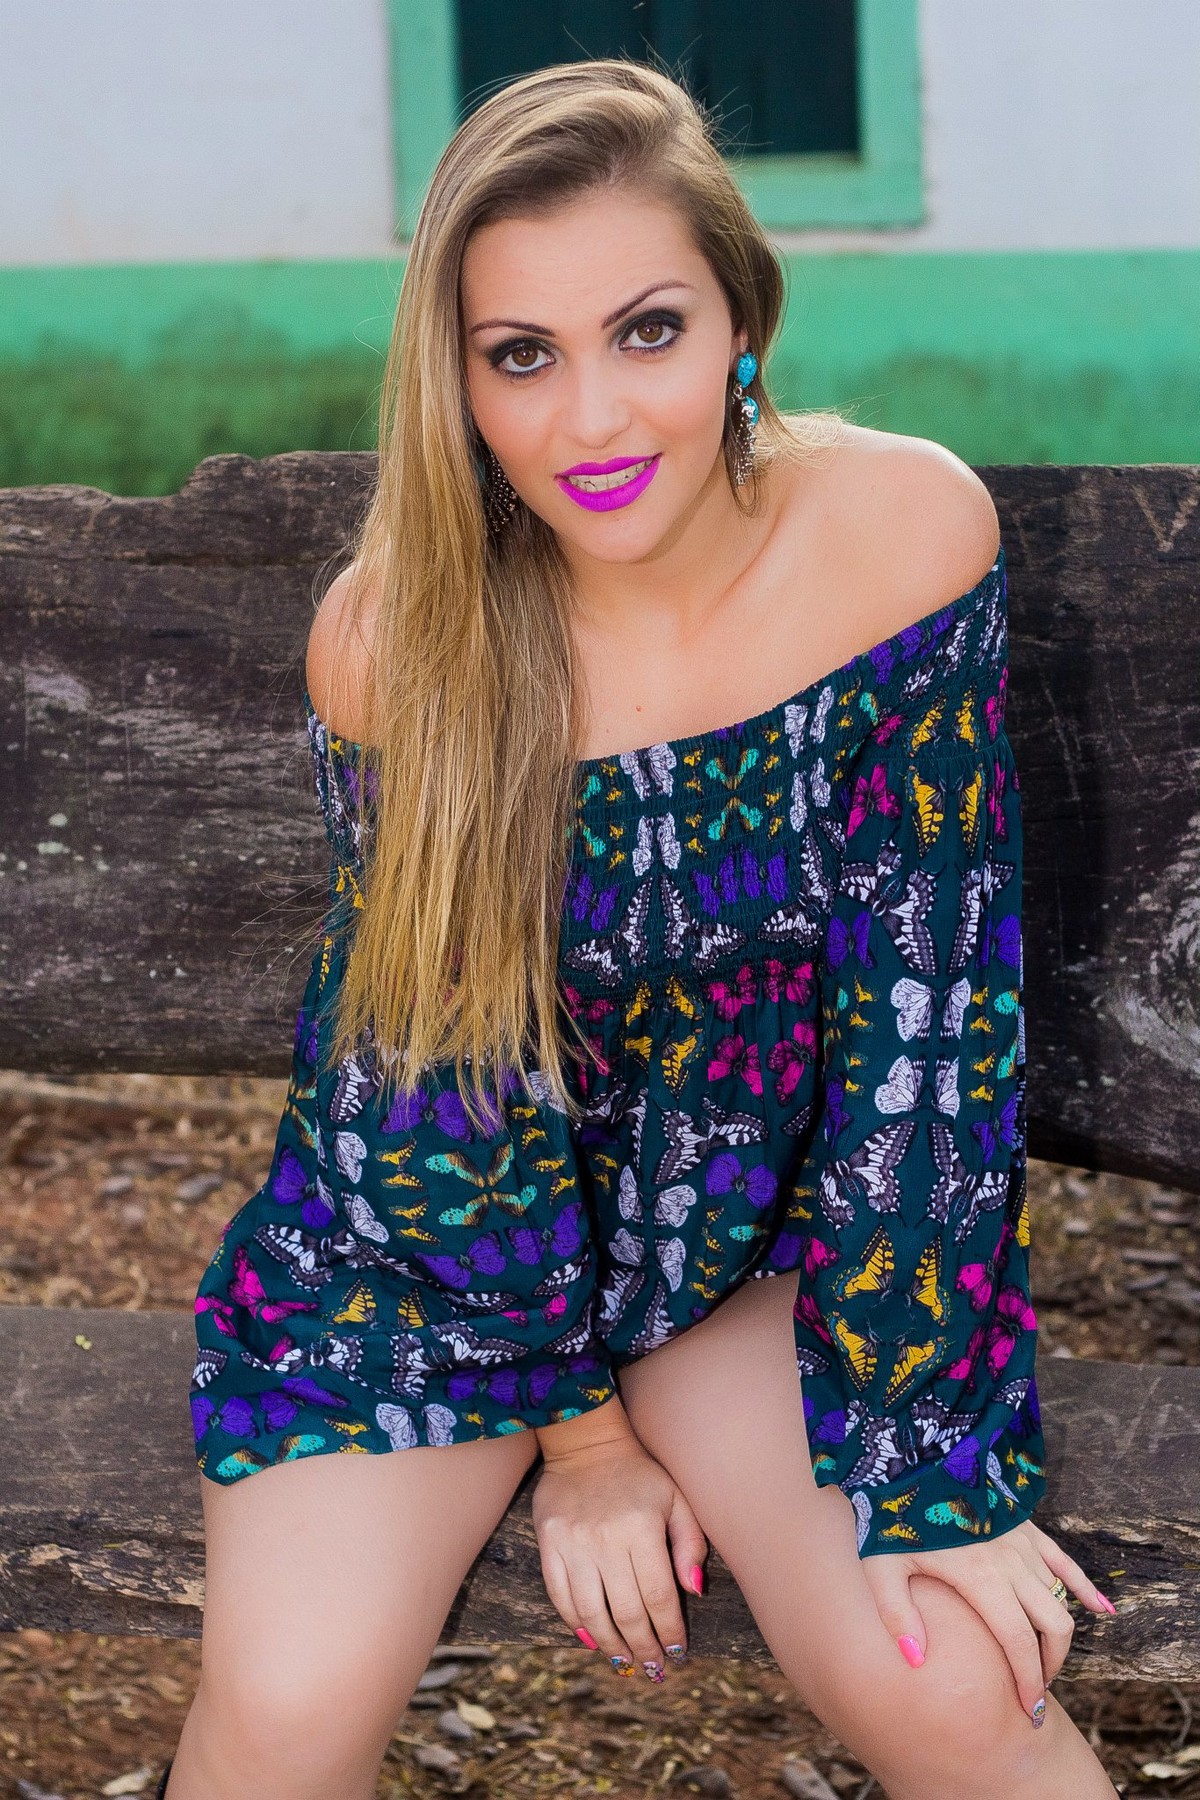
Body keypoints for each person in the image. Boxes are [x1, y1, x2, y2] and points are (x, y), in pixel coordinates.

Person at [161, 58, 1119, 1800]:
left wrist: (929, 1464)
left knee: (960, 1696)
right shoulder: (401, 640)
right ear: (457, 382)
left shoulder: (902, 541)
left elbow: (930, 1028)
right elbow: (442, 1085)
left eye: (648, 332)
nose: (592, 419)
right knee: (286, 1716)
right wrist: (585, 1446)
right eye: (521, 354)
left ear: (744, 323)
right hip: (442, 1263)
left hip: (762, 1249)